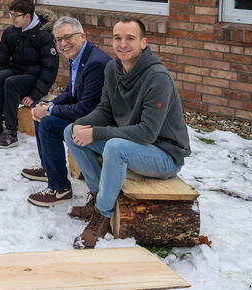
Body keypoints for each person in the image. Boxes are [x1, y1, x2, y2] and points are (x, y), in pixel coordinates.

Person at [64, 18, 191, 249]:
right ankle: (96, 196)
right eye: (117, 38)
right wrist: (81, 125)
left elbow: (147, 133)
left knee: (114, 146)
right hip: (132, 146)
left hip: (164, 154)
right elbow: (105, 109)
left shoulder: (157, 78)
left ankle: (101, 217)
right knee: (70, 131)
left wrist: (97, 133)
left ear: (144, 42)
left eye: (130, 38)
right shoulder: (113, 68)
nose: (123, 44)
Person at [23, 17, 111, 207]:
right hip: (85, 115)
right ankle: (49, 168)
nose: (63, 44)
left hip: (99, 124)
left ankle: (60, 188)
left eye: (68, 37)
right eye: (58, 39)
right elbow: (70, 92)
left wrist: (51, 110)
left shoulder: (96, 63)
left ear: (82, 36)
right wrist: (48, 105)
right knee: (41, 109)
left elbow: (87, 108)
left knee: (47, 123)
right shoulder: (79, 56)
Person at [0, 0, 58, 149]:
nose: (12, 19)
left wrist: (35, 95)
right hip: (16, 72)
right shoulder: (10, 32)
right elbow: (1, 61)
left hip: (34, 79)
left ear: (28, 16)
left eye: (16, 15)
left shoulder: (44, 36)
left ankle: (11, 132)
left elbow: (50, 69)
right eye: (10, 14)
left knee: (11, 82)